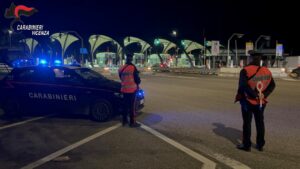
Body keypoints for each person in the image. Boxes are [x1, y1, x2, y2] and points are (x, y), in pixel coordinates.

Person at [235, 50, 276, 152]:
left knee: (247, 123)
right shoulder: (267, 71)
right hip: (261, 102)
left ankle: (246, 145)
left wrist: (254, 95)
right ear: (260, 59)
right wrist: (263, 95)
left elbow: (243, 86)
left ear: (251, 58)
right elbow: (272, 85)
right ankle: (260, 144)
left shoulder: (245, 70)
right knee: (260, 123)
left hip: (247, 101)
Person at [118, 53, 141, 128]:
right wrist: (138, 81)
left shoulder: (121, 68)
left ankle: (124, 121)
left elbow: (121, 78)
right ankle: (132, 122)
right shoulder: (133, 67)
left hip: (124, 90)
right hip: (132, 90)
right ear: (131, 59)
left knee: (125, 106)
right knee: (132, 107)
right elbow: (137, 79)